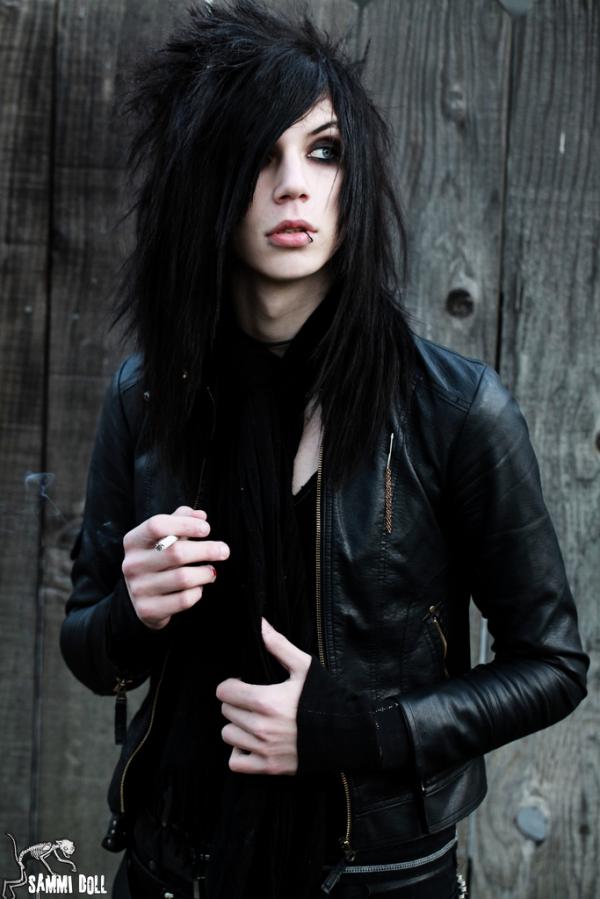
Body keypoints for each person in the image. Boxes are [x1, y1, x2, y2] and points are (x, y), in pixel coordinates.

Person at [59, 2, 589, 897]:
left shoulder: (455, 410)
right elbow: (90, 650)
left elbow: (553, 666)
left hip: (376, 877)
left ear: (355, 177)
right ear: (208, 182)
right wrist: (130, 613)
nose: (295, 186)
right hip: (170, 868)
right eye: (260, 155)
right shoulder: (146, 395)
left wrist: (357, 729)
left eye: (324, 150)